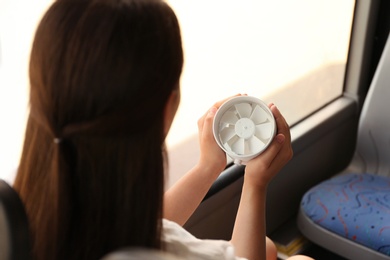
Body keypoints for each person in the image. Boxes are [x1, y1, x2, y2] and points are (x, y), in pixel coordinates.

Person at [14, 0, 313, 259]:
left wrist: (208, 167)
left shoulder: (26, 216)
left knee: (267, 248)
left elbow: (149, 227)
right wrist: (256, 184)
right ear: (167, 108)